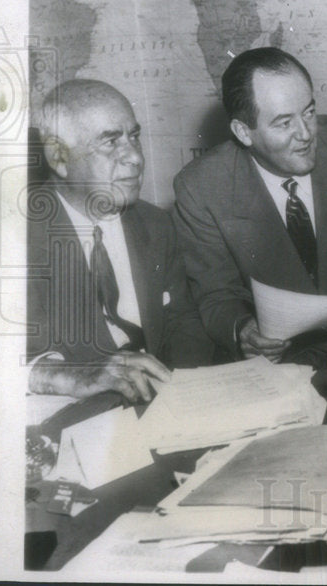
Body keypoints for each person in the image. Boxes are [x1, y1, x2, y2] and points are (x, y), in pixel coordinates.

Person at [173, 47, 327, 362]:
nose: (306, 134)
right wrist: (242, 329)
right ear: (243, 131)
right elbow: (215, 295)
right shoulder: (202, 187)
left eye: (308, 111)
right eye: (284, 123)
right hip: (285, 364)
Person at [27, 80, 212, 402]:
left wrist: (185, 397)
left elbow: (184, 323)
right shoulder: (13, 239)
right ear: (58, 157)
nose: (135, 158)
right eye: (110, 142)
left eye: (134, 137)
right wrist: (69, 375)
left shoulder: (156, 225)